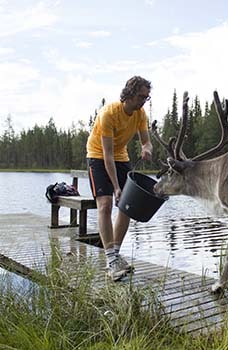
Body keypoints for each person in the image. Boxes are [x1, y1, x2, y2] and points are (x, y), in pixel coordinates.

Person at [86, 76, 153, 281]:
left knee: (127, 205)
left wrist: (146, 149)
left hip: (121, 157)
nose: (144, 100)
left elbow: (146, 142)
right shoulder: (108, 113)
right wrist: (116, 187)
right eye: (141, 96)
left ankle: (114, 255)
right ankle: (111, 259)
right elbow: (107, 155)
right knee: (105, 205)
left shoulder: (140, 114)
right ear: (130, 94)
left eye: (147, 97)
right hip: (98, 156)